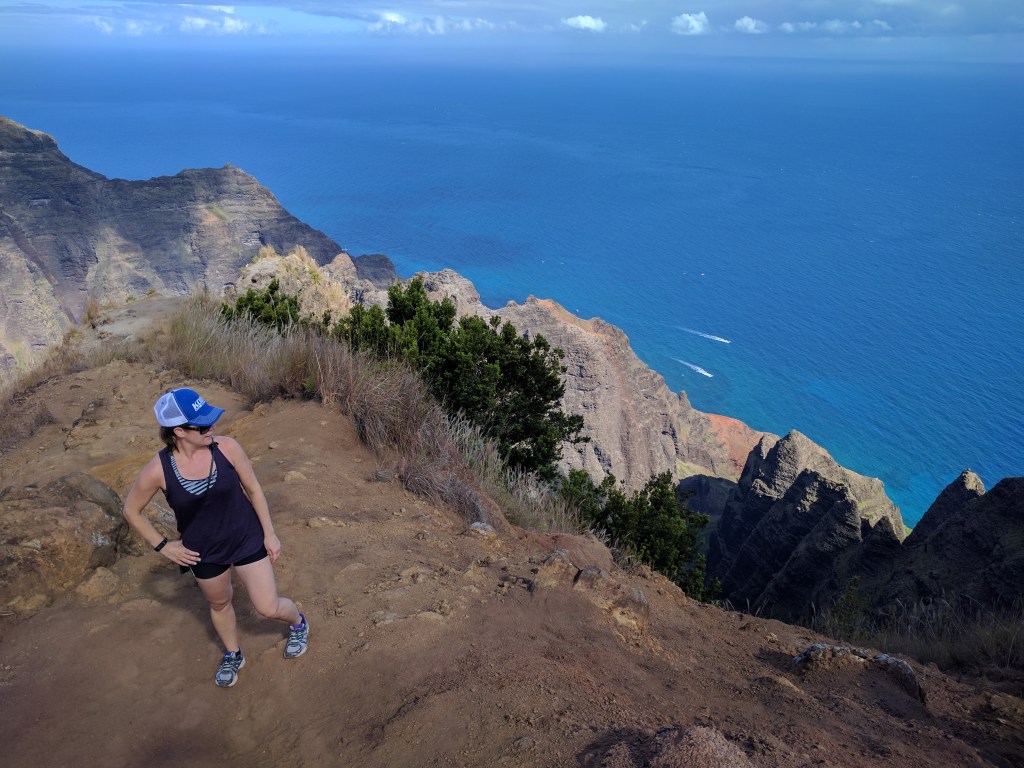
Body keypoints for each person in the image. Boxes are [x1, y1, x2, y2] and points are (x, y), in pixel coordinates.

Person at [122, 387, 309, 688]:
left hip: (246, 537)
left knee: (267, 606)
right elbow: (131, 511)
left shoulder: (227, 448)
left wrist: (270, 534)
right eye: (203, 425)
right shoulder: (158, 470)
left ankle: (299, 623)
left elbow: (254, 490)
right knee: (220, 604)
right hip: (203, 552)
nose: (212, 428)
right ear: (180, 431)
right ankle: (233, 654)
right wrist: (163, 547)